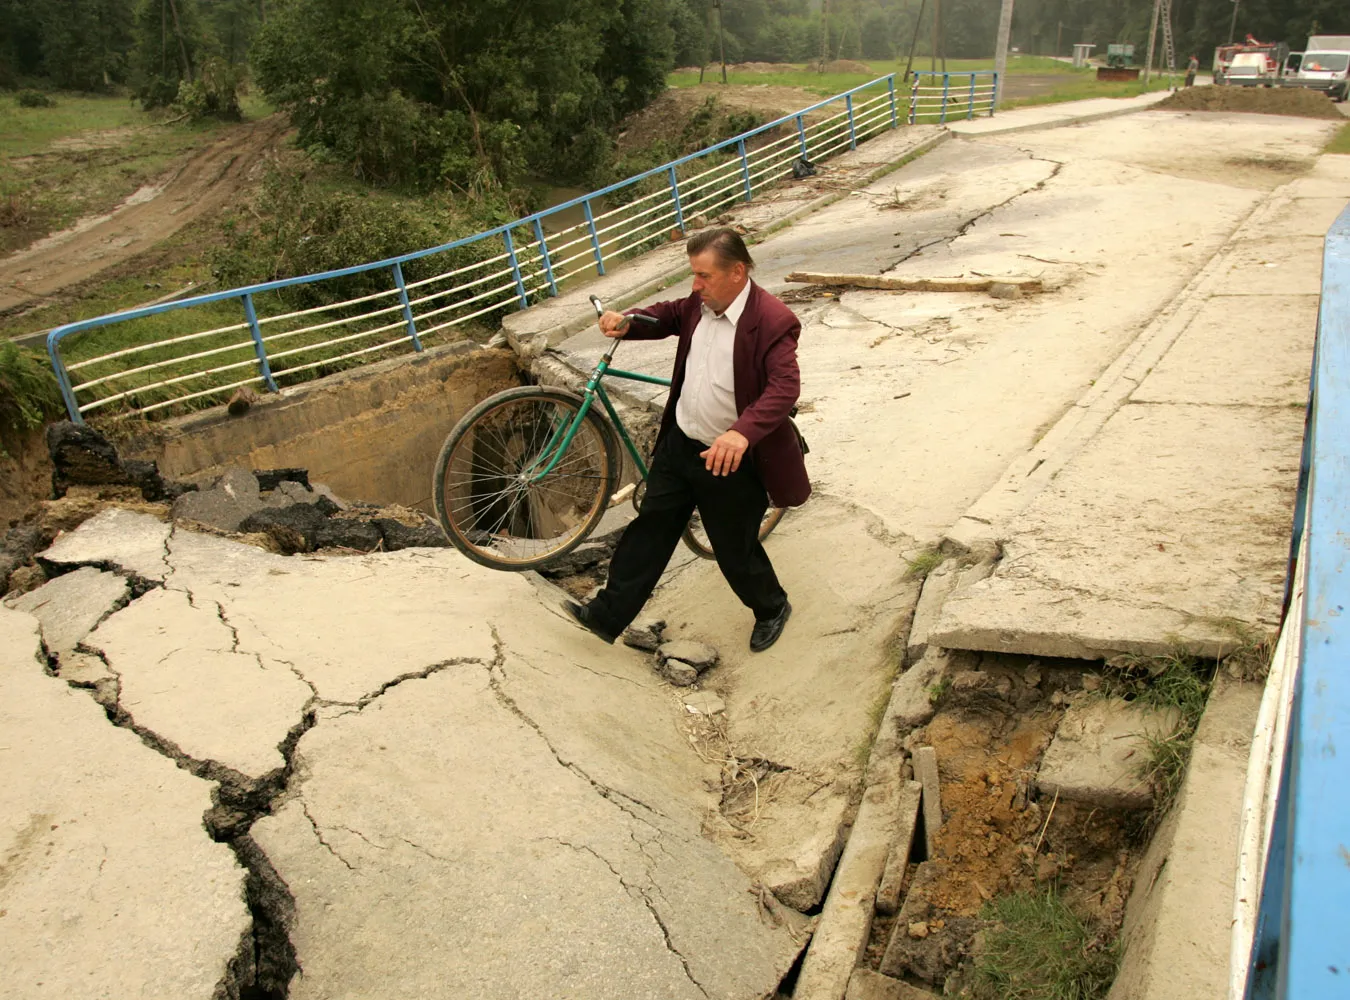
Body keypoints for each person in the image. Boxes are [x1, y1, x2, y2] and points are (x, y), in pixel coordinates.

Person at [564, 228, 810, 652]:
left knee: (734, 550)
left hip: (727, 458)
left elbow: (783, 389)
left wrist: (740, 434)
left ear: (737, 272)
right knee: (650, 529)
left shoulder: (772, 320)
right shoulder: (699, 306)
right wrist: (628, 321)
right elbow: (668, 314)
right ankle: (606, 616)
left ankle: (772, 608)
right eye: (694, 275)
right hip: (680, 442)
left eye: (704, 276)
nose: (696, 286)